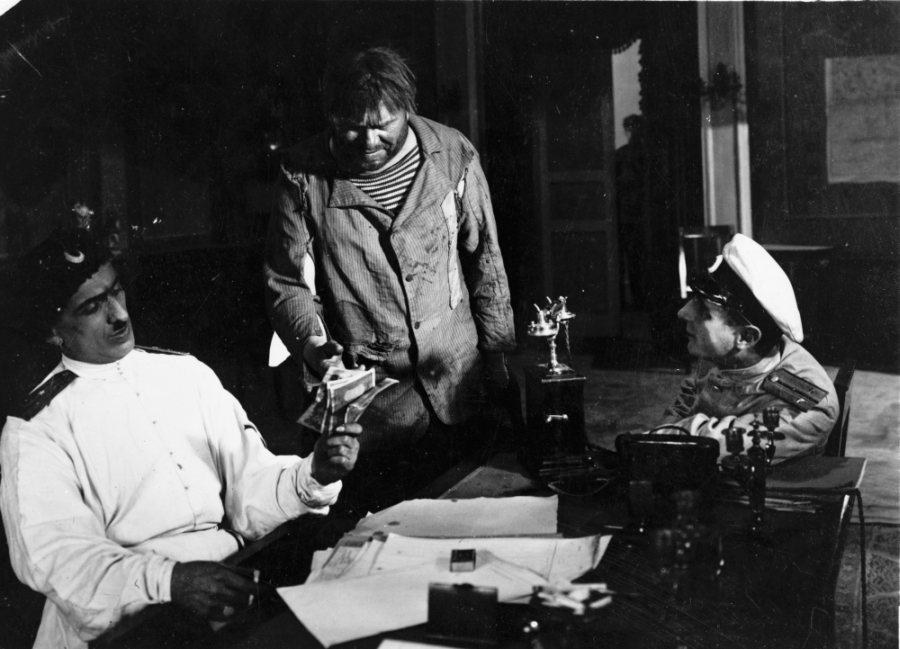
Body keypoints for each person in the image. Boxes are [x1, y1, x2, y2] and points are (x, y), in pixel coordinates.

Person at [0, 228, 360, 649]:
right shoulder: (35, 428)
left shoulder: (185, 374)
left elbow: (249, 492)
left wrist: (313, 473)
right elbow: (61, 560)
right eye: (92, 308)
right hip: (126, 625)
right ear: (53, 331)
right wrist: (170, 581)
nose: (119, 315)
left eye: (116, 292)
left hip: (231, 582)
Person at [264, 47, 516, 495]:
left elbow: (485, 260)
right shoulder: (301, 178)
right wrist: (314, 347)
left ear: (407, 109)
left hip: (460, 381)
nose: (368, 141)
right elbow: (288, 283)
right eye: (353, 126)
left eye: (384, 125)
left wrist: (498, 356)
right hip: (373, 410)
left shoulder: (452, 154)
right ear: (332, 116)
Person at [660, 233, 838, 462]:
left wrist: (654, 441)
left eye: (703, 311)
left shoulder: (806, 408)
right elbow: (688, 400)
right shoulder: (724, 351)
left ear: (746, 337)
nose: (683, 312)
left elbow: (714, 444)